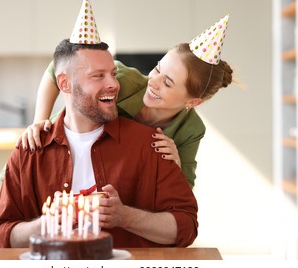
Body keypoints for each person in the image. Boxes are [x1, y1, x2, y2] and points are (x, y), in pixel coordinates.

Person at [0, 37, 198, 248]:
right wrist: (46, 224)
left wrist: (125, 216)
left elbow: (186, 227)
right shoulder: (31, 149)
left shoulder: (154, 145)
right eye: (98, 76)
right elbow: (0, 236)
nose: (114, 84)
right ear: (64, 83)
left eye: (113, 75)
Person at [14, 14, 233, 189]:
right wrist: (38, 121)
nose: (153, 81)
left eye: (167, 82)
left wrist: (175, 164)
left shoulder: (191, 130)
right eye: (157, 68)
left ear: (193, 102)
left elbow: (185, 192)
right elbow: (57, 69)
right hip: (56, 159)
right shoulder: (123, 80)